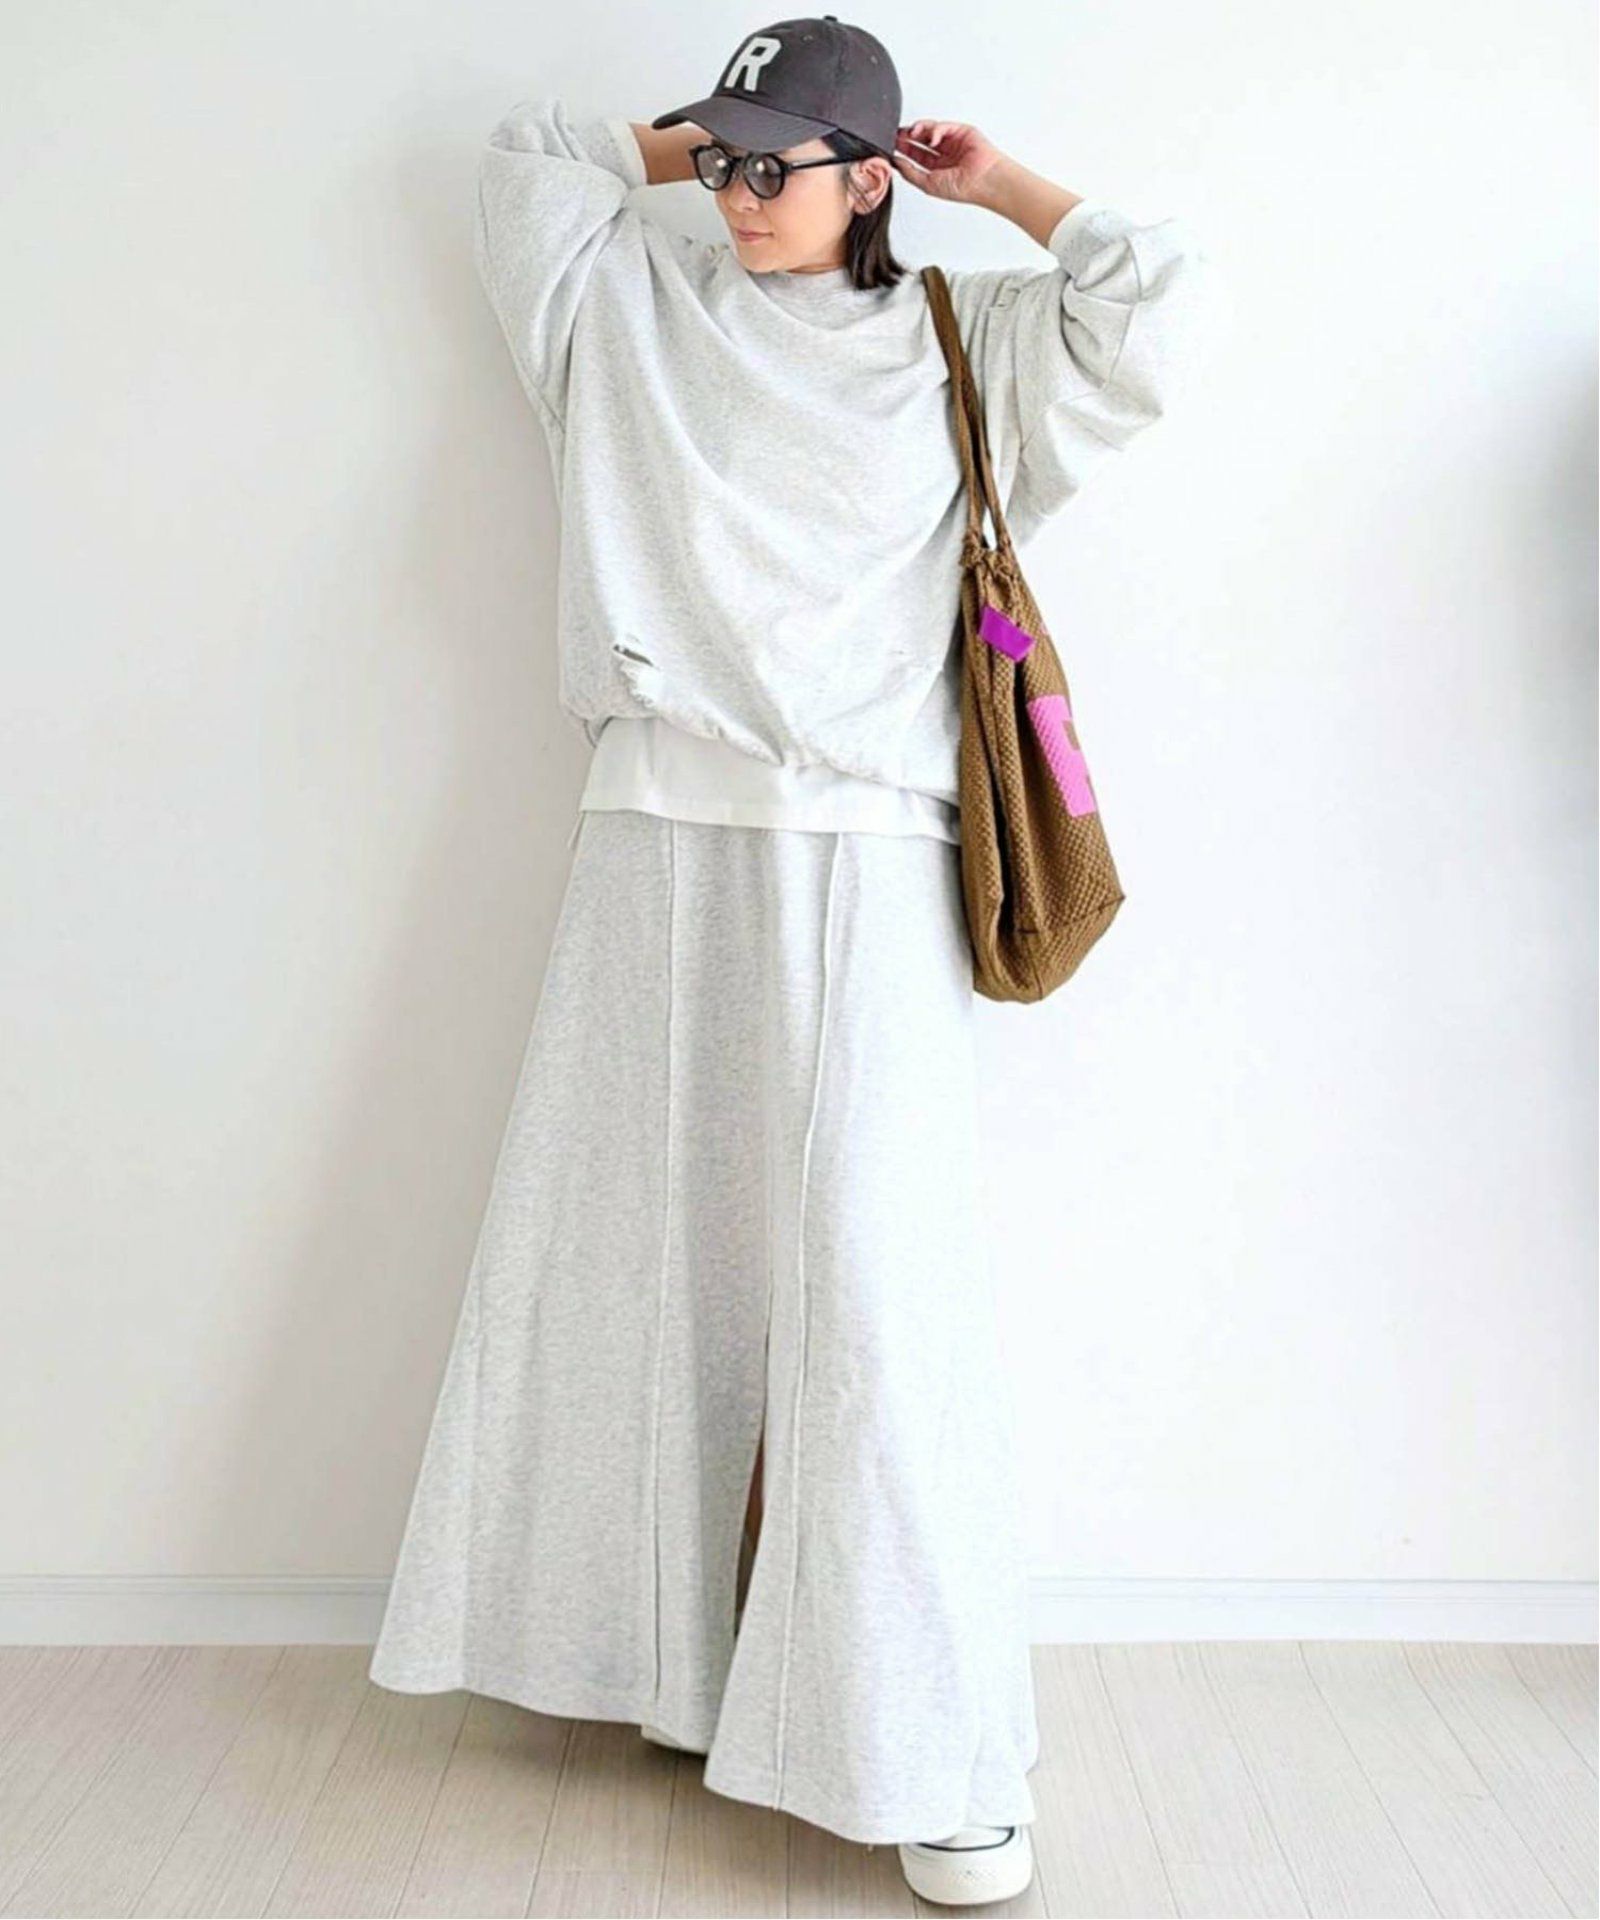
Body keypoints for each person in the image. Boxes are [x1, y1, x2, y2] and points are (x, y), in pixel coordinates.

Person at [369, 14, 1211, 1906]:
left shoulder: (965, 344)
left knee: (876, 1299)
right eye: (725, 160)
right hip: (649, 836)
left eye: (779, 166)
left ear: (868, 175)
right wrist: (713, 140)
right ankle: (676, 1673)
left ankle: (938, 1751)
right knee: (627, 1271)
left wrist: (992, 185)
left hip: (868, 854)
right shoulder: (625, 307)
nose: (741, 195)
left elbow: (1156, 302)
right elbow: (528, 163)